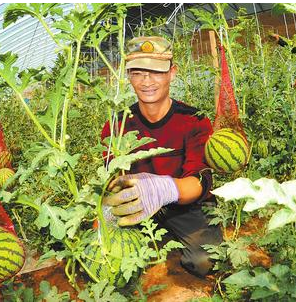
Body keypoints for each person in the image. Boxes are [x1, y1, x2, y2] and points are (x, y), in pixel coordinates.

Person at [100, 36, 222, 278]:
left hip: (187, 206)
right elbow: (113, 182)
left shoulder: (193, 120)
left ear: (172, 73)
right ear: (128, 76)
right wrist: (104, 218)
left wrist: (163, 188)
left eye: (155, 72)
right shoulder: (117, 125)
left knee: (206, 261)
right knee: (110, 263)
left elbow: (199, 182)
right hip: (137, 207)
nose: (147, 81)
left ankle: (174, 234)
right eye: (138, 73)